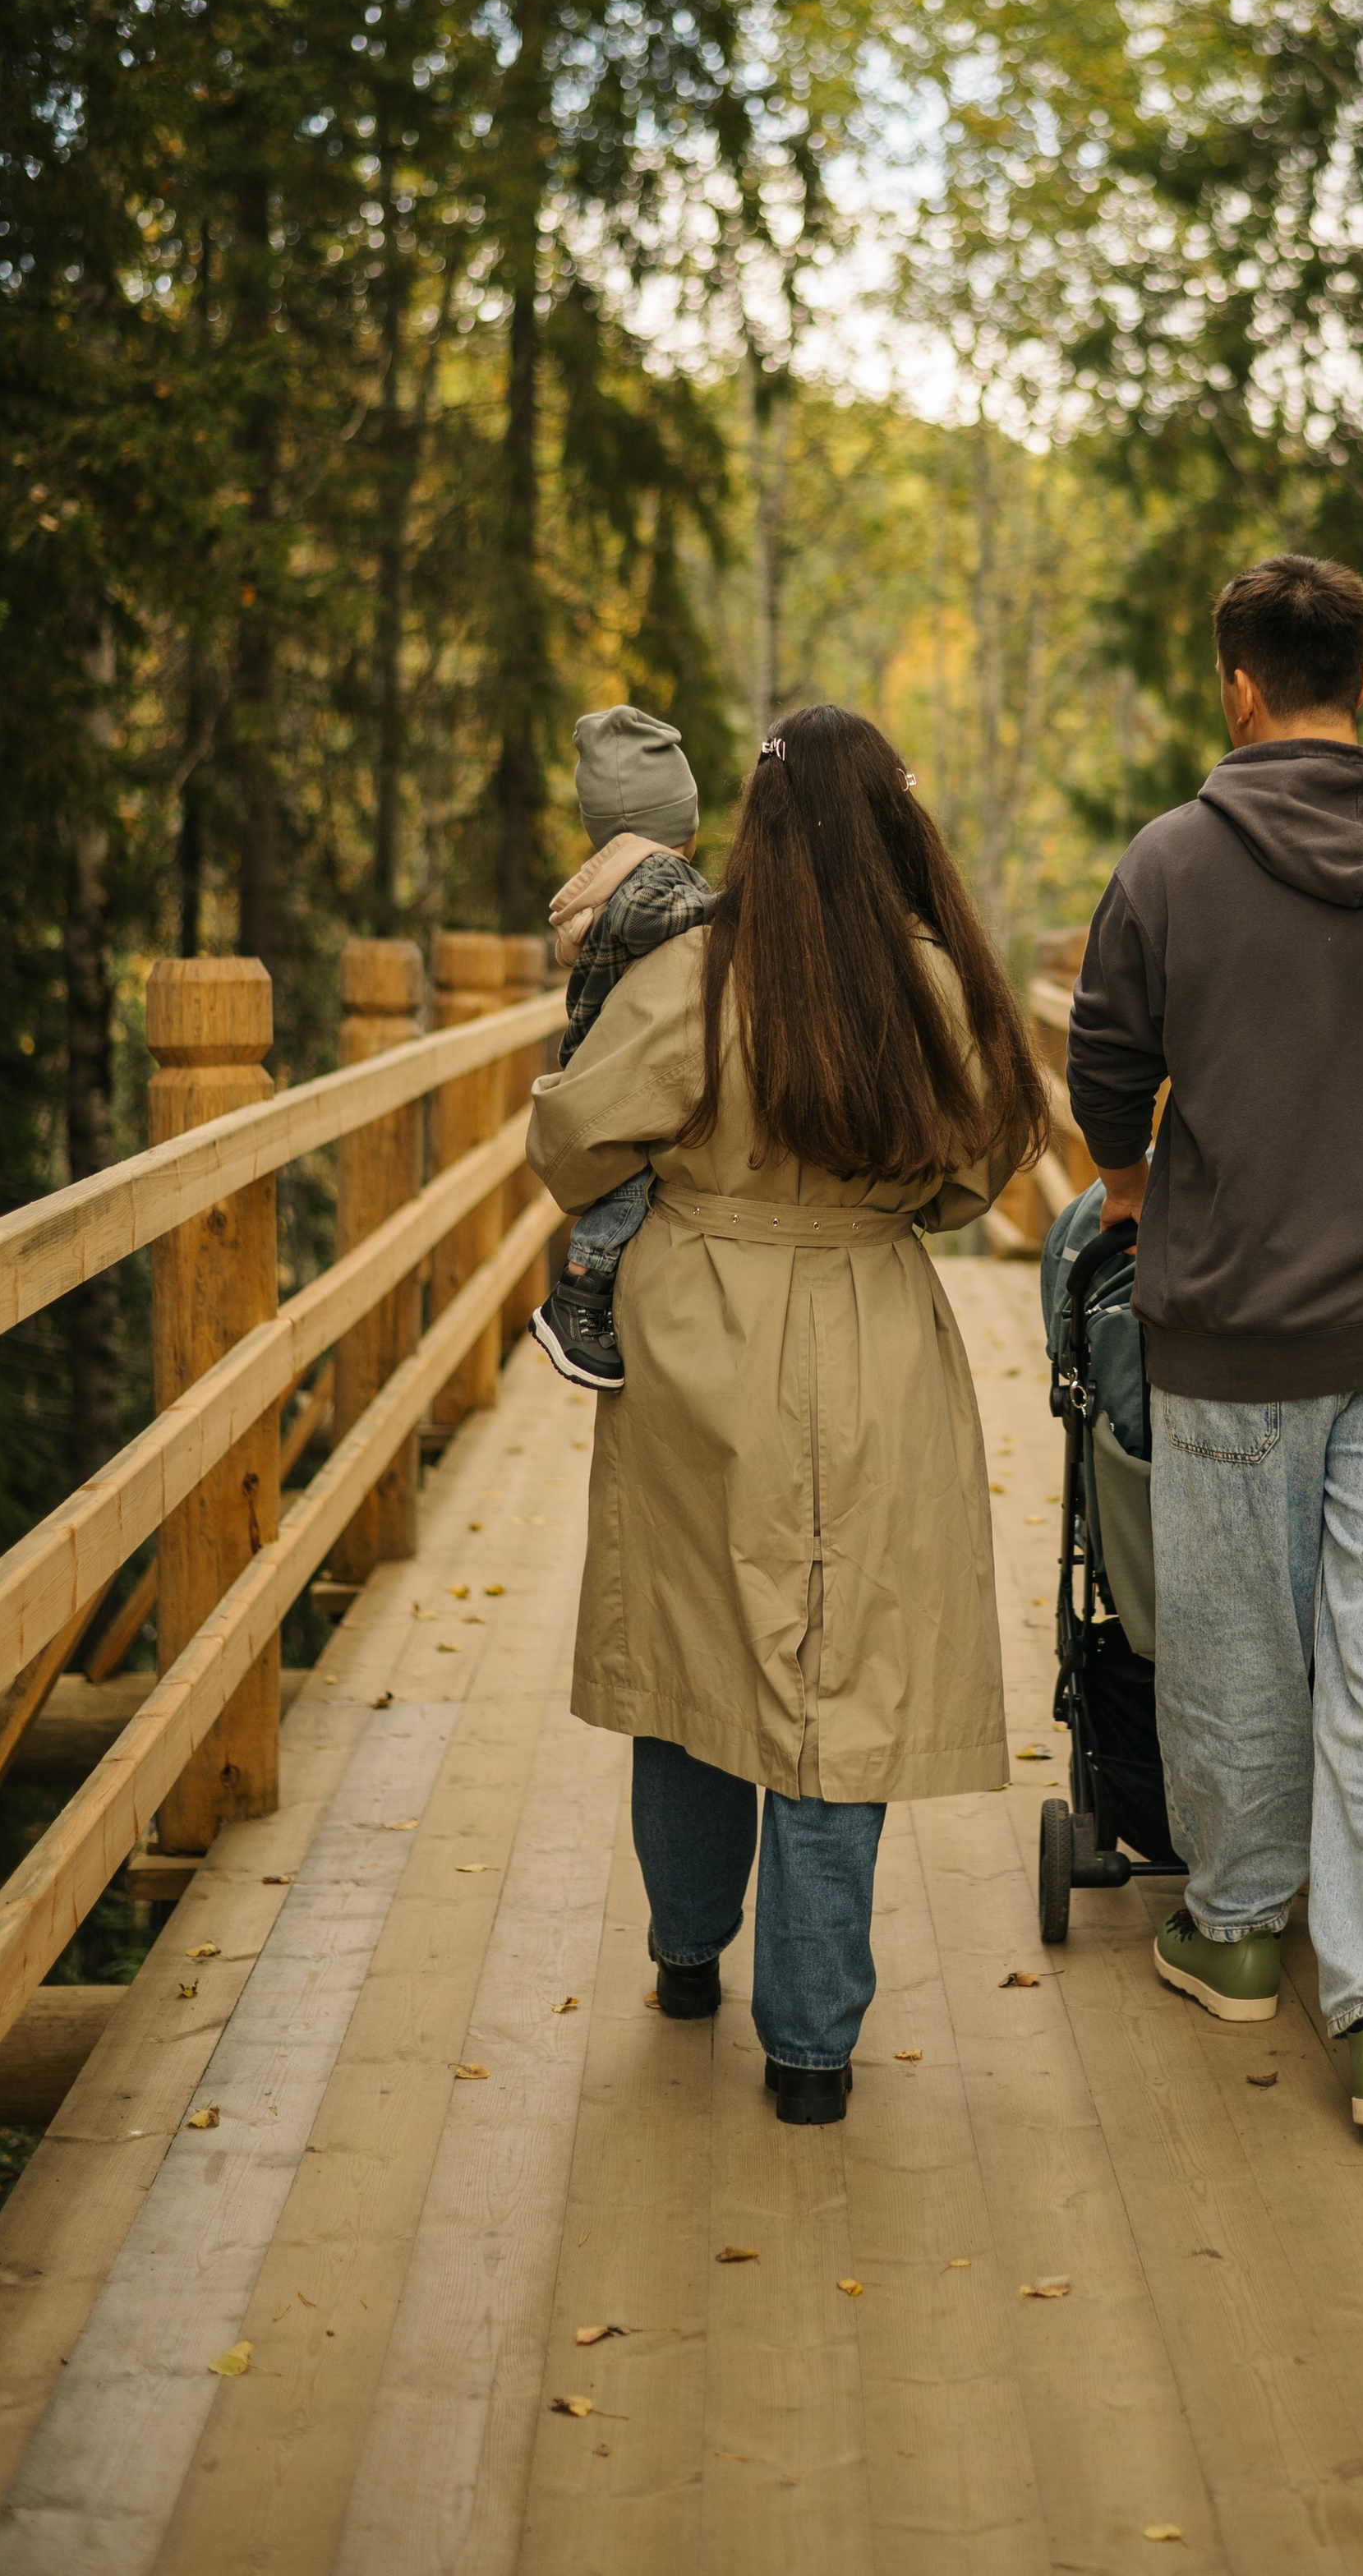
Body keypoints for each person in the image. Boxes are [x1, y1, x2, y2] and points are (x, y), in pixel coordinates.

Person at [526, 704, 1047, 2124]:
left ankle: (687, 1957)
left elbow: (575, 1139)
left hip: (700, 1332)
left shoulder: (696, 971)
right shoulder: (939, 980)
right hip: (875, 1329)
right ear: (894, 819)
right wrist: (888, 1209)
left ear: (756, 829)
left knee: (693, 1647)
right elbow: (987, 1160)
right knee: (843, 1681)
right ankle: (812, 2051)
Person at [1064, 555, 1363, 2131]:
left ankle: (1241, 1926)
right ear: (1360, 679)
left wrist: (1134, 1191)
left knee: (1238, 1644)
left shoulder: (1173, 860)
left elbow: (1106, 1061)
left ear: (1240, 684)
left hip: (1238, 1330)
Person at [530, 703, 716, 1394]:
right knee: (631, 1178)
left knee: (629, 1174)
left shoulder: (625, 874)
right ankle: (580, 1291)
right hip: (618, 1065)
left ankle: (586, 1287)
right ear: (680, 824)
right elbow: (646, 919)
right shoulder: (655, 879)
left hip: (603, 1051)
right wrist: (722, 907)